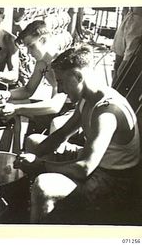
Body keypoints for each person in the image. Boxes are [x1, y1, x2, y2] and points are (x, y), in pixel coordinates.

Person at [14, 45, 140, 223]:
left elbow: (84, 168)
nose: (59, 89)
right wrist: (32, 155)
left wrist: (40, 164)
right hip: (97, 165)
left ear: (79, 76)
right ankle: (36, 206)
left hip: (113, 181)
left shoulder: (106, 111)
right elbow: (62, 135)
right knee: (33, 142)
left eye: (62, 82)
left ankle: (41, 224)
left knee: (43, 187)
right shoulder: (87, 98)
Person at [0, 20, 72, 136]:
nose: (29, 52)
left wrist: (16, 108)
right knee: (9, 104)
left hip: (72, 110)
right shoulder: (42, 64)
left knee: (54, 122)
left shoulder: (61, 62)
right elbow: (28, 90)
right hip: (58, 107)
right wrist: (7, 94)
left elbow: (55, 106)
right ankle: (17, 150)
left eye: (31, 46)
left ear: (43, 40)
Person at [112, 7, 142, 84]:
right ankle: (113, 87)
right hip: (128, 17)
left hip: (138, 23)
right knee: (117, 66)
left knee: (123, 69)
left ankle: (119, 89)